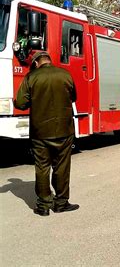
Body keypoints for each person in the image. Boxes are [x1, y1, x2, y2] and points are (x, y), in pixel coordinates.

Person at [14, 51, 80, 216]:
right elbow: (73, 97)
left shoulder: (32, 77)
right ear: (48, 61)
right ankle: (61, 203)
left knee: (42, 167)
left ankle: (43, 206)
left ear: (36, 63)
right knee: (62, 167)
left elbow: (21, 103)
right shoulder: (65, 74)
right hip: (64, 130)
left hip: (40, 132)